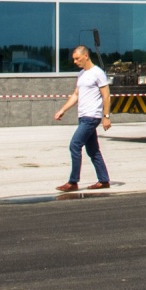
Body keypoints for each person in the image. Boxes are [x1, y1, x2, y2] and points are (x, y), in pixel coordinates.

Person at [53, 44, 112, 192]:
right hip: (83, 116)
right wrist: (63, 110)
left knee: (75, 145)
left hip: (92, 117)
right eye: (74, 59)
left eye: (77, 58)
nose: (75, 61)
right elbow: (76, 95)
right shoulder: (81, 75)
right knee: (93, 150)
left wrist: (106, 117)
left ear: (86, 56)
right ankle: (104, 180)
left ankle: (73, 182)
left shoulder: (98, 73)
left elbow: (106, 96)